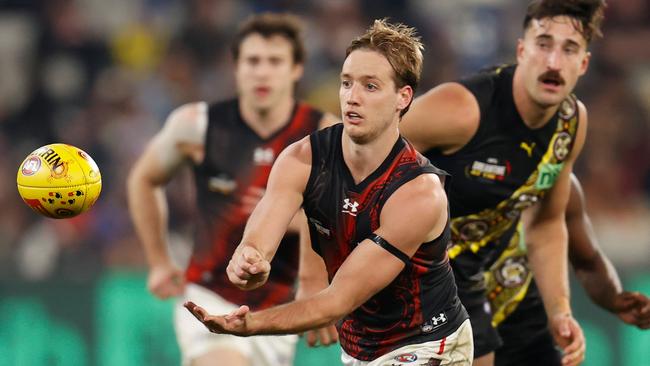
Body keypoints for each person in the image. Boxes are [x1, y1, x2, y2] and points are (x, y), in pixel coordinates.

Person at [184, 19, 474, 366]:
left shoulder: (418, 193)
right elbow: (260, 237)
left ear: (403, 97)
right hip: (358, 350)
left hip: (428, 344)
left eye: (370, 86)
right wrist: (249, 261)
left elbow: (336, 302)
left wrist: (250, 325)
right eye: (347, 83)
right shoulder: (301, 158)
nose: (352, 97)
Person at [400, 1, 608, 365]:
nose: (554, 62)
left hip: (489, 277)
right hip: (424, 273)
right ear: (522, 50)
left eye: (569, 49)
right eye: (543, 44)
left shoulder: (570, 123)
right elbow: (359, 153)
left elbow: (545, 223)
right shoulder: (462, 109)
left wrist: (560, 310)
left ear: (583, 64)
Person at [127, 12, 338, 366]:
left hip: (281, 312)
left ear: (296, 69)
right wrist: (159, 260)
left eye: (275, 61)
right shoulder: (196, 125)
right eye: (252, 61)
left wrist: (317, 283)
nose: (262, 71)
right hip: (210, 297)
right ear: (236, 68)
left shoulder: (324, 134)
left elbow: (343, 210)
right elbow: (143, 179)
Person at [487, 173, 650, 366]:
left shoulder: (558, 184)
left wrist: (614, 297)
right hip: (463, 325)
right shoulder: (463, 177)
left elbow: (587, 262)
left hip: (527, 335)